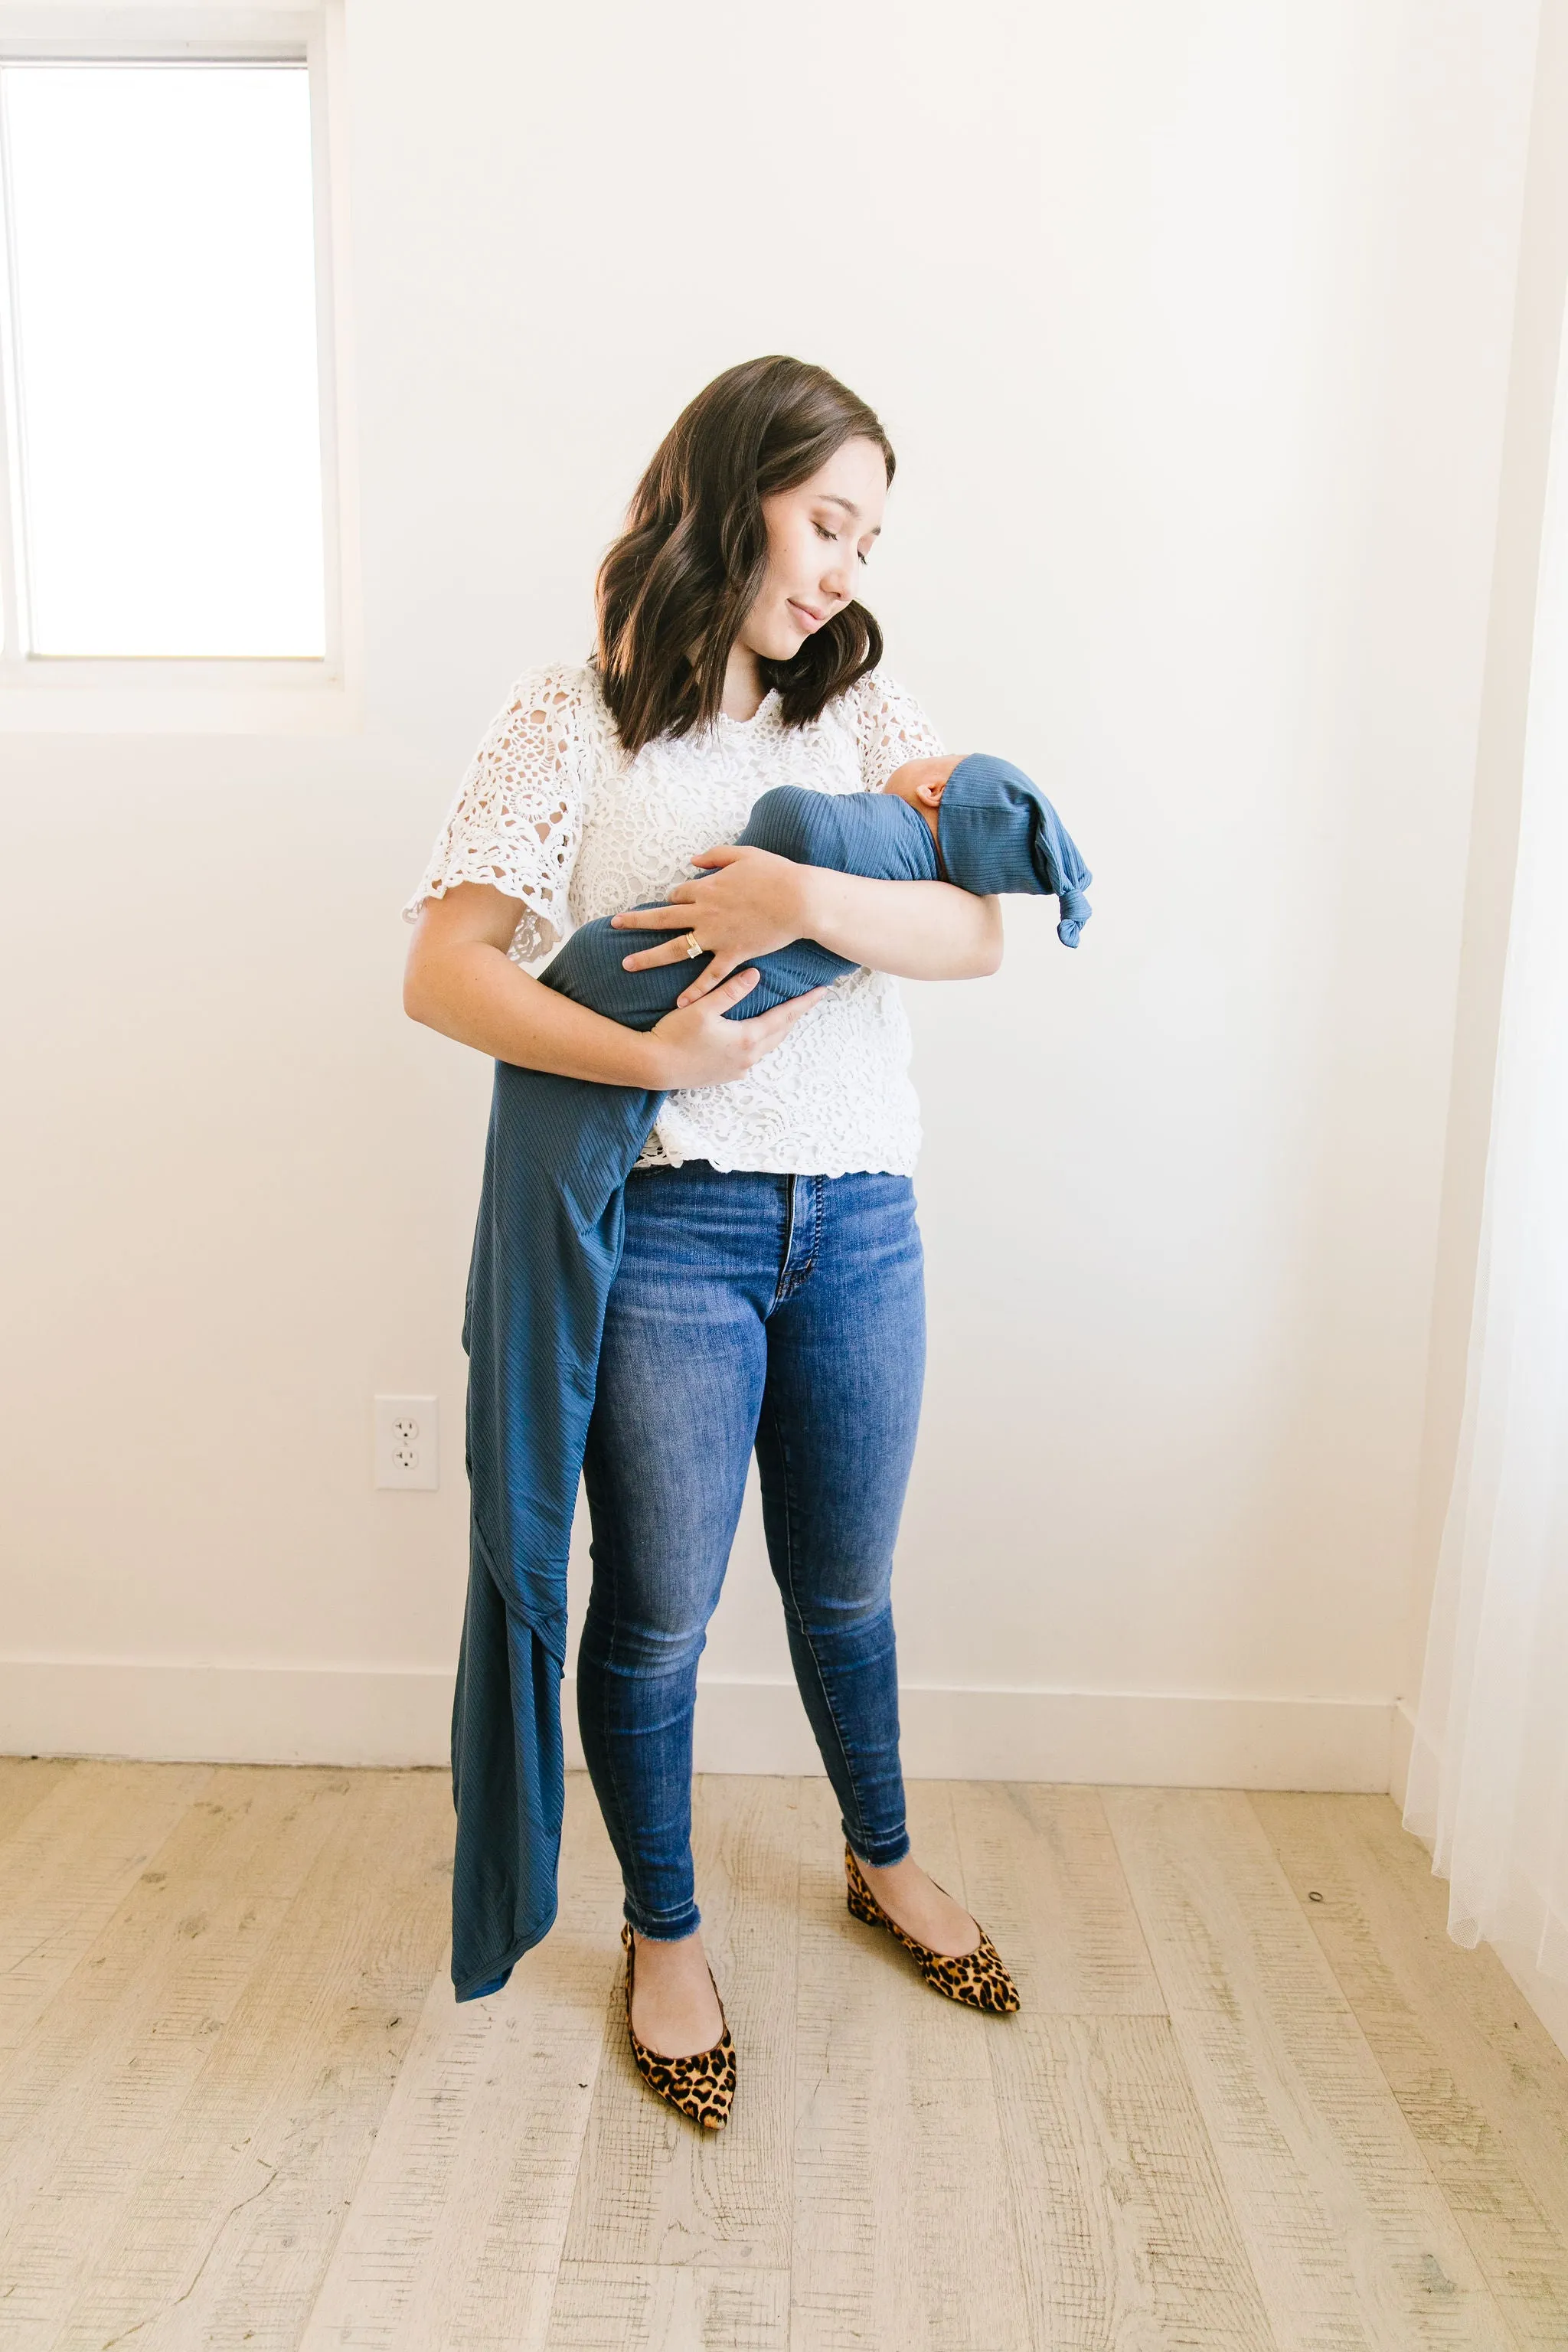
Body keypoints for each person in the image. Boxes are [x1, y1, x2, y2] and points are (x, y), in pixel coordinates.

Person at [403, 355, 1035, 2132]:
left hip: (860, 1224)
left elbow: (978, 931)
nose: (843, 567)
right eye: (824, 519)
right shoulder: (571, 716)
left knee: (846, 1590)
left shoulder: (859, 706)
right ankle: (662, 1930)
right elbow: (446, 970)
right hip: (669, 1232)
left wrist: (799, 897)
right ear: (730, 490)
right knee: (662, 1615)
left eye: (868, 535)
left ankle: (881, 1858)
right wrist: (657, 1055)